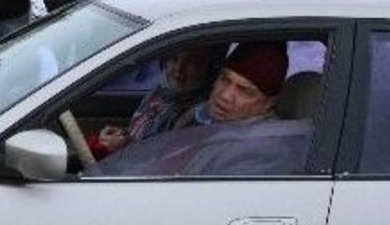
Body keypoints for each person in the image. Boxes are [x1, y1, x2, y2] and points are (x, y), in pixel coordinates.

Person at [92, 41, 309, 177]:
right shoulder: (200, 117)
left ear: (268, 102)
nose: (225, 95)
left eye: (245, 90)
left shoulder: (264, 151)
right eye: (225, 80)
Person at [97, 45, 223, 154]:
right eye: (174, 59)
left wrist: (124, 145)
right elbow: (144, 134)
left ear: (209, 67)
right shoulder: (161, 93)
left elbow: (167, 160)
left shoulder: (197, 115)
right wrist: (120, 135)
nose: (179, 70)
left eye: (192, 62)